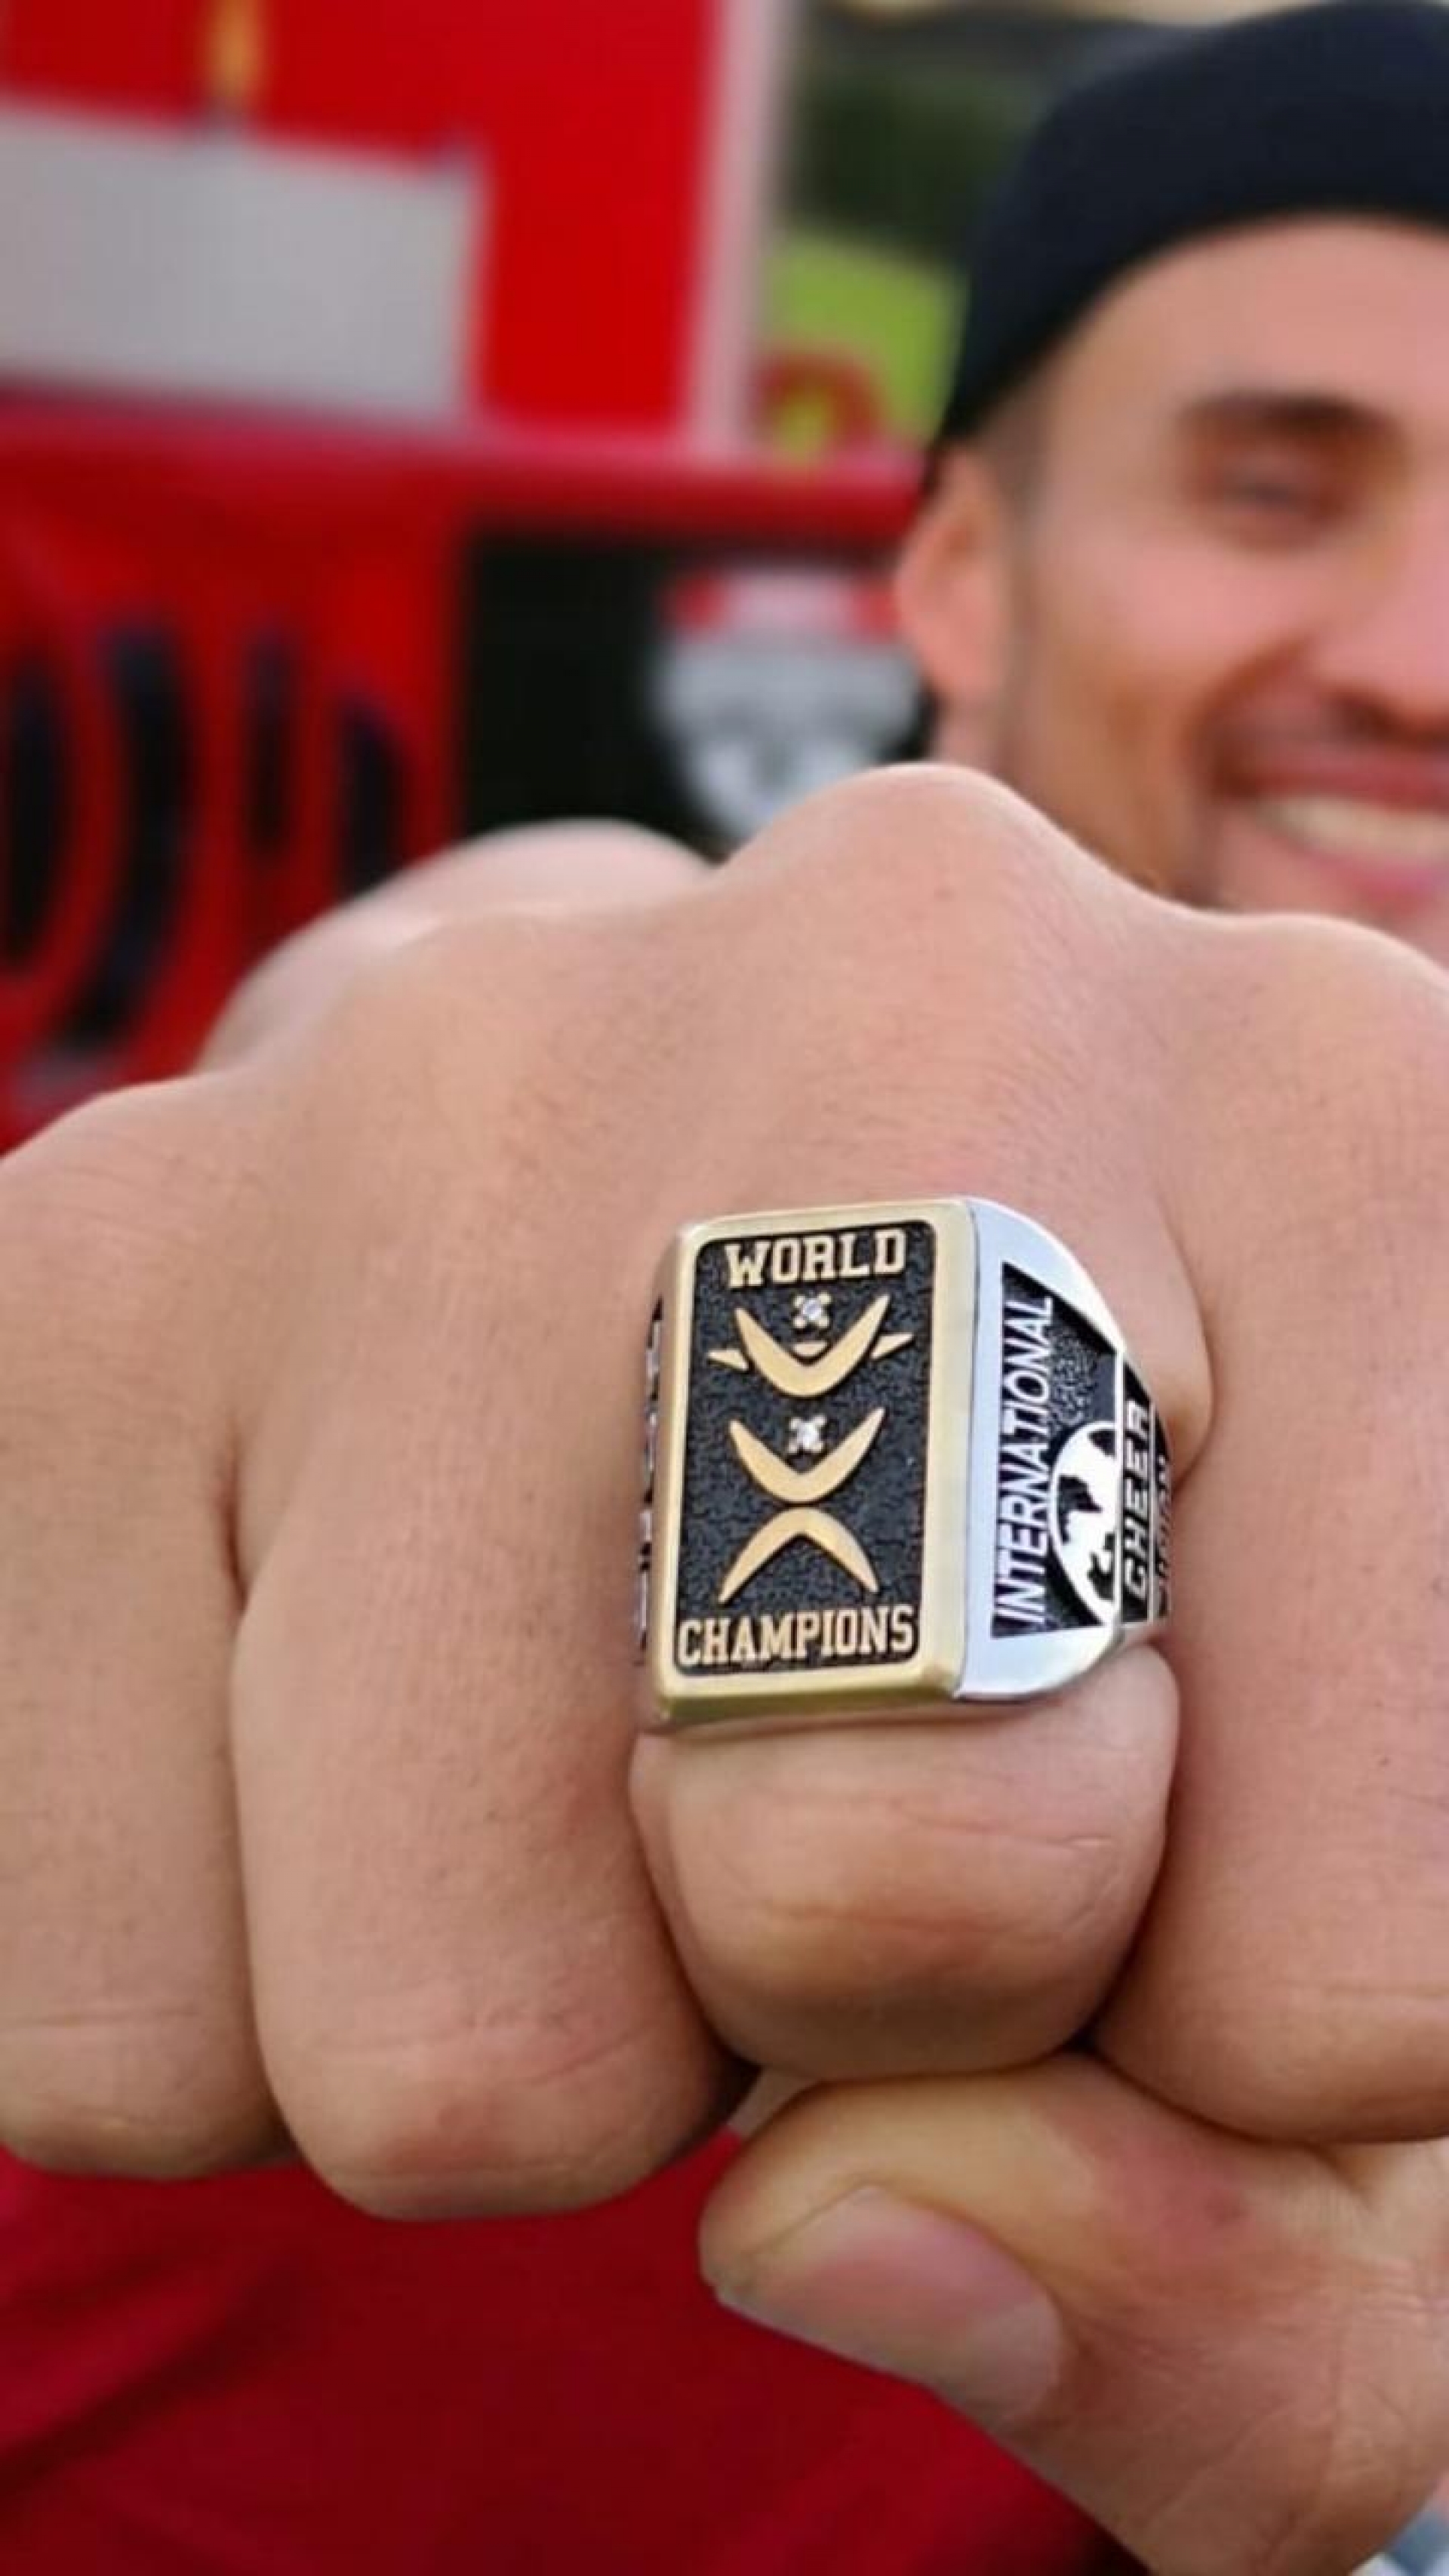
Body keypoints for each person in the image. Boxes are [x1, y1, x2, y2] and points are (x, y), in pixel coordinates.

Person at [5, 5, 1449, 2571]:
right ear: (958, 571)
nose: (1425, 653)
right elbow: (445, 1033)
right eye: (1270, 488)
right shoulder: (565, 1018)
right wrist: (371, 1067)